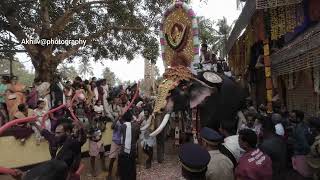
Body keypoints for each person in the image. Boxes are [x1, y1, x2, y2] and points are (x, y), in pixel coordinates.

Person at [118, 110, 141, 180]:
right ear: (131, 118)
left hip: (124, 152)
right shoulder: (136, 126)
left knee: (124, 170)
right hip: (133, 150)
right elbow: (137, 136)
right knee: (132, 168)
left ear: (124, 118)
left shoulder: (122, 126)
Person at [108, 115, 123, 180]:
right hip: (115, 142)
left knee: (120, 159)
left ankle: (118, 173)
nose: (121, 117)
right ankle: (109, 174)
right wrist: (116, 118)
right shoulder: (117, 122)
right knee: (112, 159)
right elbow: (112, 127)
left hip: (121, 143)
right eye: (120, 116)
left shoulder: (125, 123)